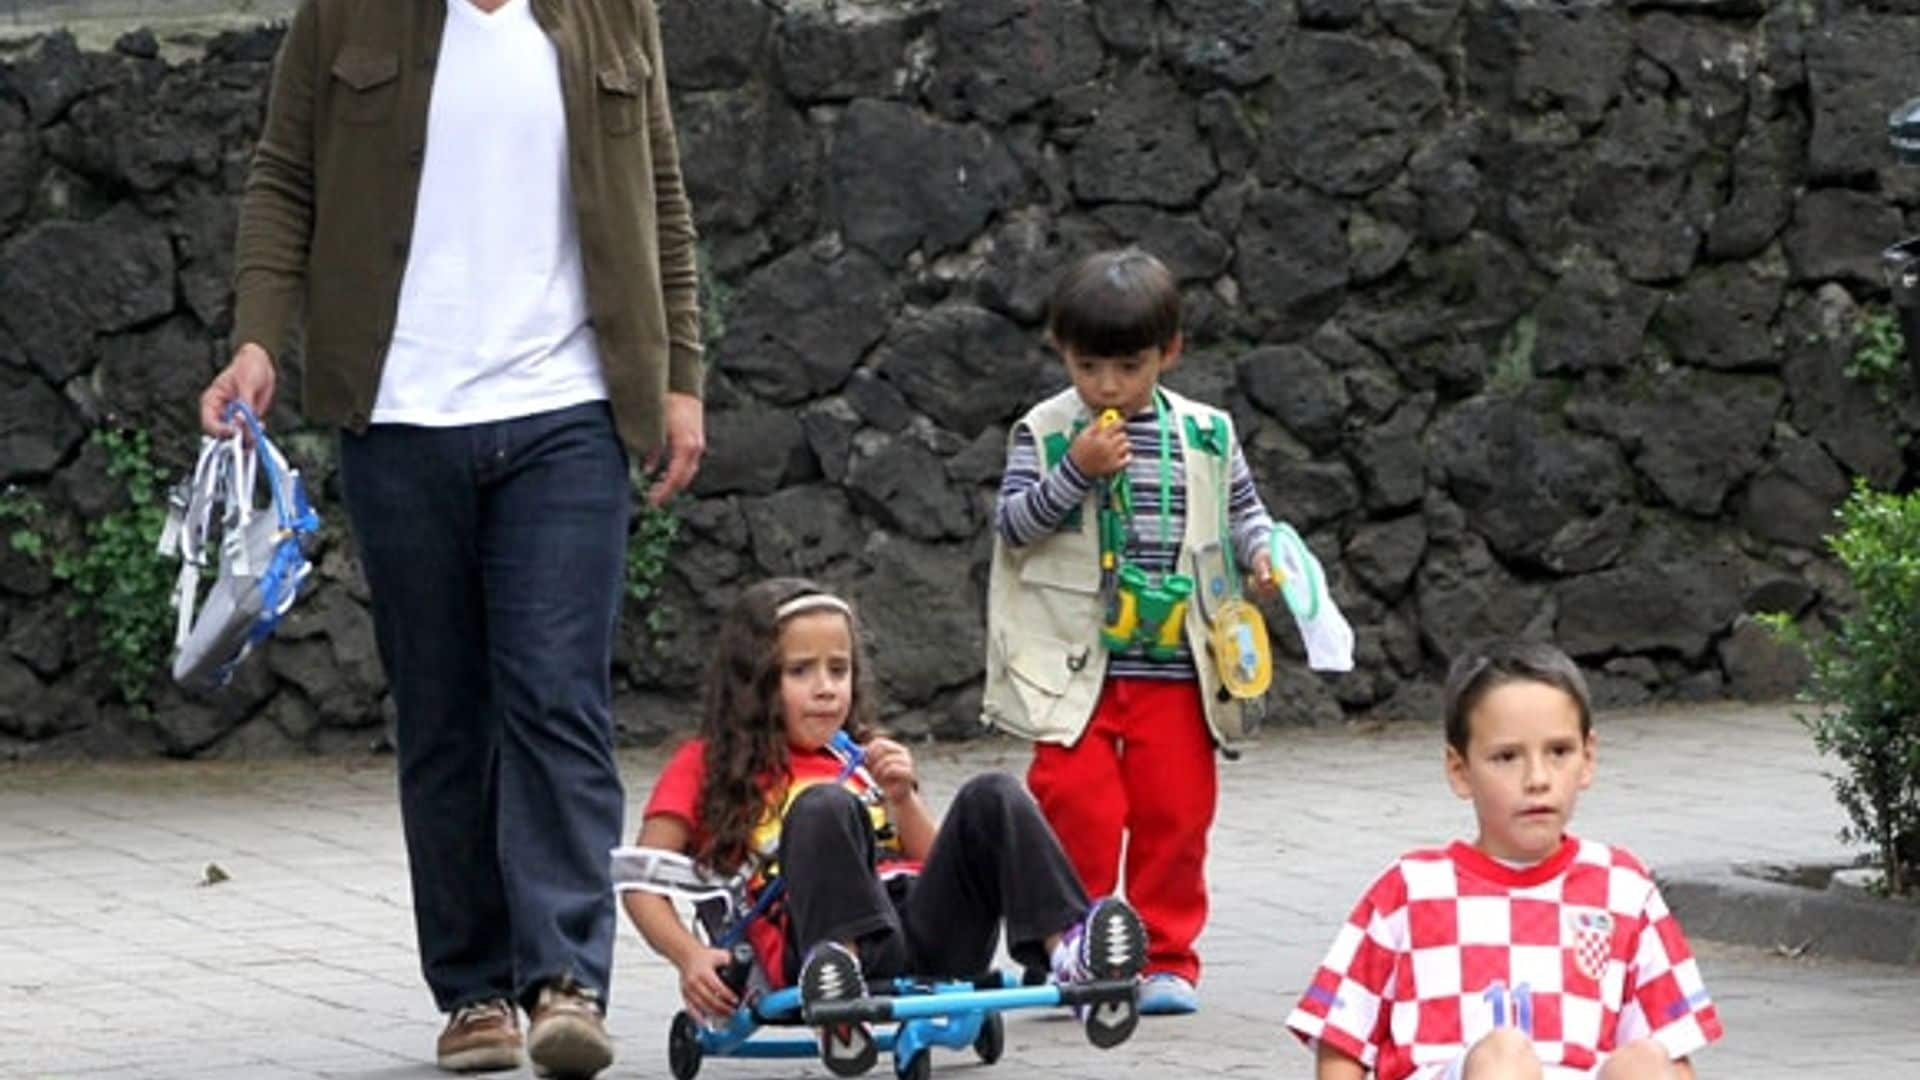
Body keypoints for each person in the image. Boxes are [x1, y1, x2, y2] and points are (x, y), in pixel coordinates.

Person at [198, 2, 705, 1076]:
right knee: (443, 711)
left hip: (568, 411)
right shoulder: (345, 12)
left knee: (557, 696)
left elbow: (661, 194)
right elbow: (283, 178)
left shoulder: (612, 13)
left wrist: (681, 380)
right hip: (400, 414)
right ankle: (474, 992)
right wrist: (256, 338)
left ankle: (567, 979)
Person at [624, 578, 1148, 1077]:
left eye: (839, 669)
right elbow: (643, 884)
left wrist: (902, 799)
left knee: (994, 793)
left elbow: (935, 859)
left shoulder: (859, 753)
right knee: (824, 807)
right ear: (754, 683)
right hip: (805, 938)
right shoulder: (706, 764)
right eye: (801, 671)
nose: (826, 689)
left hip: (918, 927)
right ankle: (837, 983)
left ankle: (1071, 955)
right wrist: (688, 956)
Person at [981, 247, 1280, 1016]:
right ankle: (1071, 949)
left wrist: (1263, 553)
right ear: (1061, 350)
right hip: (1076, 668)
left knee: (1175, 816)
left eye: (1128, 366)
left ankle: (1164, 958)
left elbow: (1245, 512)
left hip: (1179, 664)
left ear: (1169, 352)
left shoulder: (1209, 434)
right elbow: (1013, 527)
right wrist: (1075, 470)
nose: (1107, 386)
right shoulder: (1045, 432)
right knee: (1076, 805)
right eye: (1089, 367)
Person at [1286, 641, 1724, 1079]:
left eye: (1559, 752)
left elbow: (1674, 1052)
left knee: (1648, 1060)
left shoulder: (1623, 889)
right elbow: (1341, 1043)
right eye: (1506, 757)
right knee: (1505, 1056)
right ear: (1460, 771)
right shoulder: (1411, 889)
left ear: (1588, 759)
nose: (1537, 779)